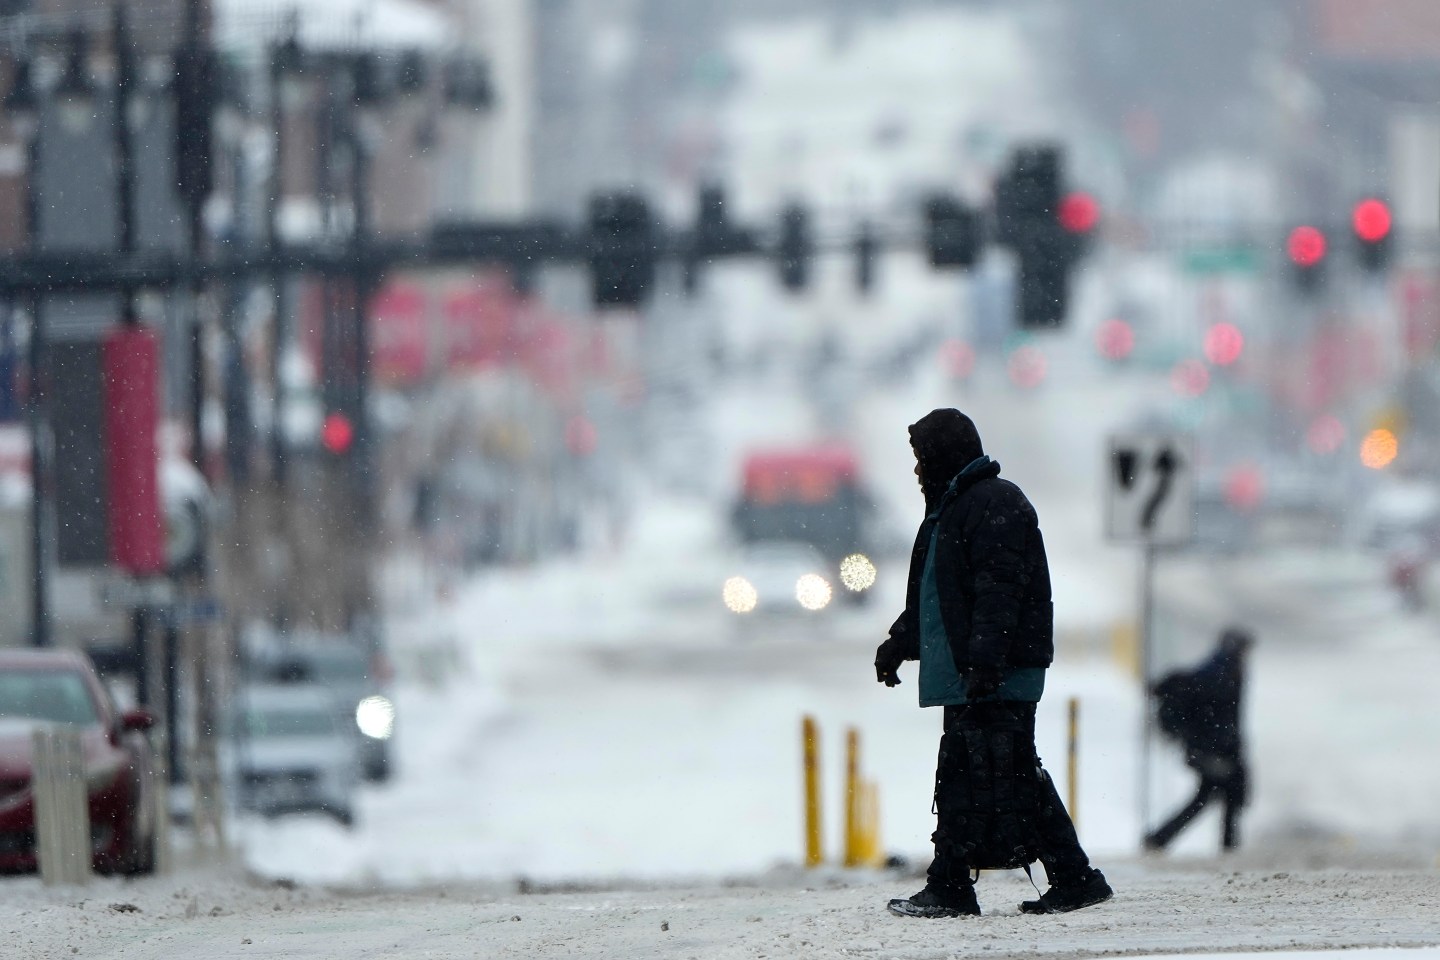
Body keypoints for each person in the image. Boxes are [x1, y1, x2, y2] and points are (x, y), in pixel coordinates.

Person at [874, 408, 1111, 919]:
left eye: (922, 459)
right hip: (974, 674)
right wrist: (900, 642)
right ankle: (1072, 875)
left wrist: (985, 665)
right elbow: (938, 597)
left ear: (946, 455)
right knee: (1005, 772)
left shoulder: (992, 504)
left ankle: (953, 885)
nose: (917, 471)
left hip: (994, 674)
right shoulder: (954, 508)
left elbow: (998, 592)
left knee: (970, 772)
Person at [1144, 627, 1253, 852]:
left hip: (1214, 747)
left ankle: (1162, 838)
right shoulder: (1222, 674)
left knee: (1211, 796)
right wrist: (1222, 747)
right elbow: (1219, 718)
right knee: (1221, 793)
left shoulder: (1219, 670)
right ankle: (1226, 845)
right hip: (1215, 749)